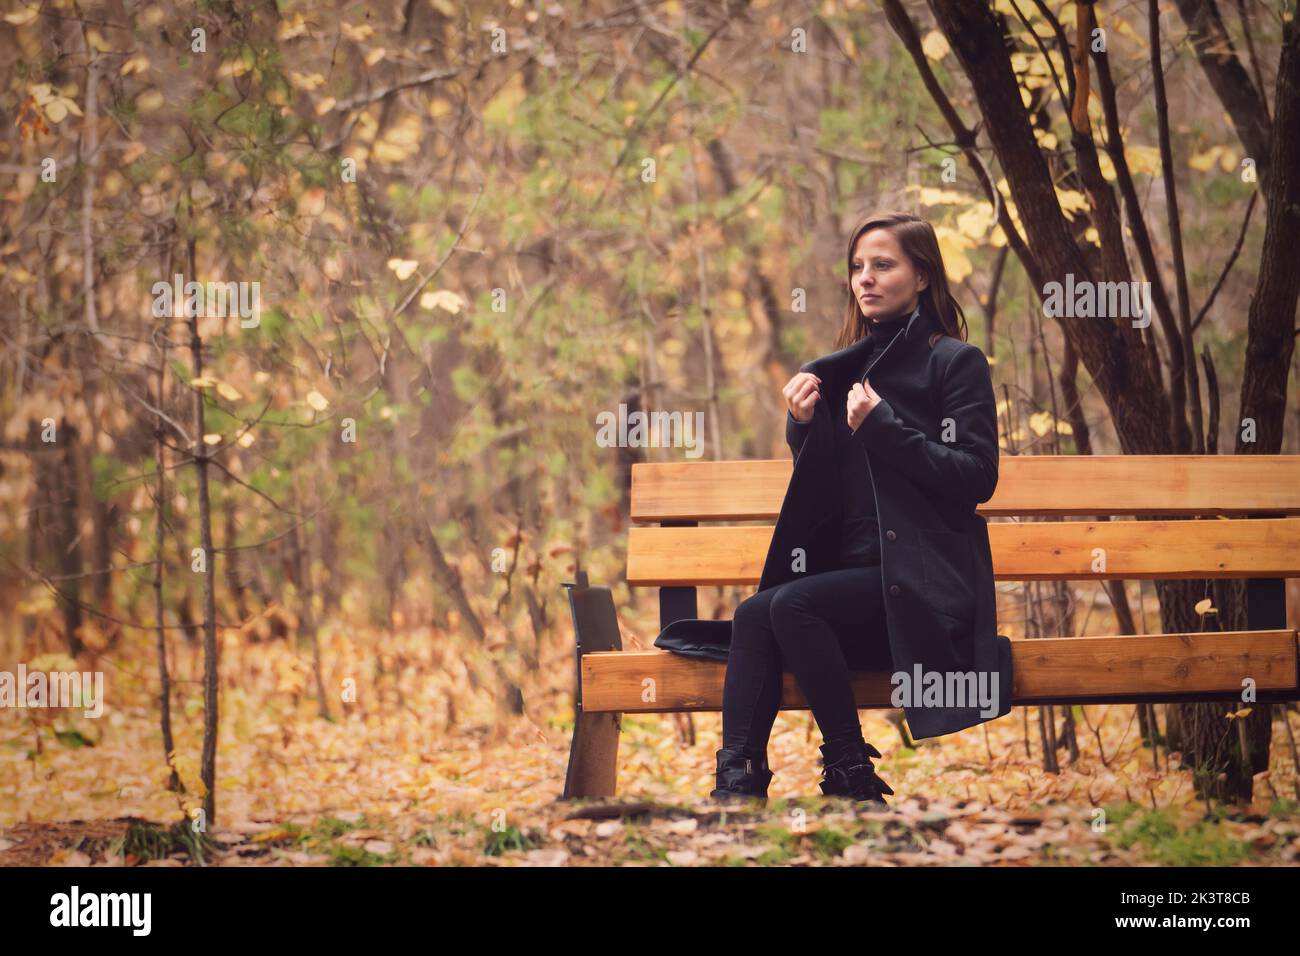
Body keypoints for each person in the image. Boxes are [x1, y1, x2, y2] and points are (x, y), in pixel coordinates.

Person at [710, 211, 999, 807]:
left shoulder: (955, 362)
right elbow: (826, 486)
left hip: (925, 587)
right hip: (856, 589)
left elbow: (977, 478)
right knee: (751, 614)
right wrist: (803, 425)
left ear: (922, 276)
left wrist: (886, 430)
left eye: (883, 265)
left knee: (792, 604)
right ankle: (737, 782)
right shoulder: (839, 372)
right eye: (857, 267)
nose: (865, 278)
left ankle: (849, 770)